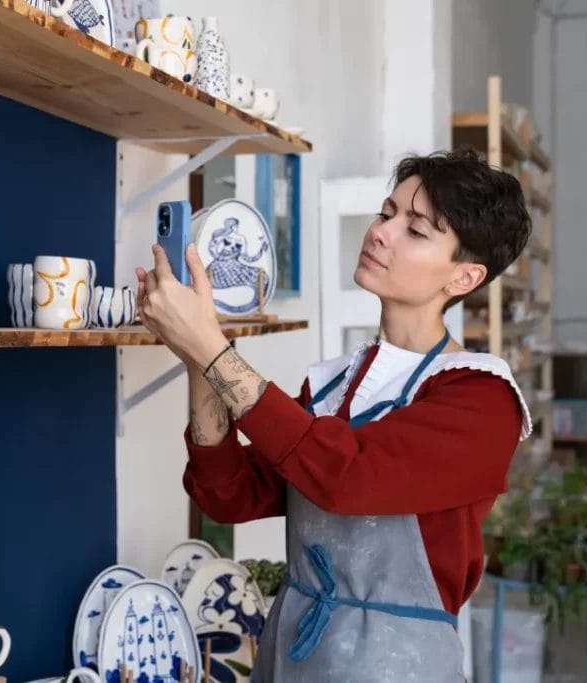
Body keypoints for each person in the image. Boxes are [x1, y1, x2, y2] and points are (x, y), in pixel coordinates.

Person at [135, 148, 532, 682]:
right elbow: (228, 495)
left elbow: (349, 476)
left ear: (463, 278)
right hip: (294, 654)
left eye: (415, 231)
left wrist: (213, 350)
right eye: (387, 213)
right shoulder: (335, 385)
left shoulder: (482, 399)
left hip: (397, 667)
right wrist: (197, 358)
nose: (381, 233)